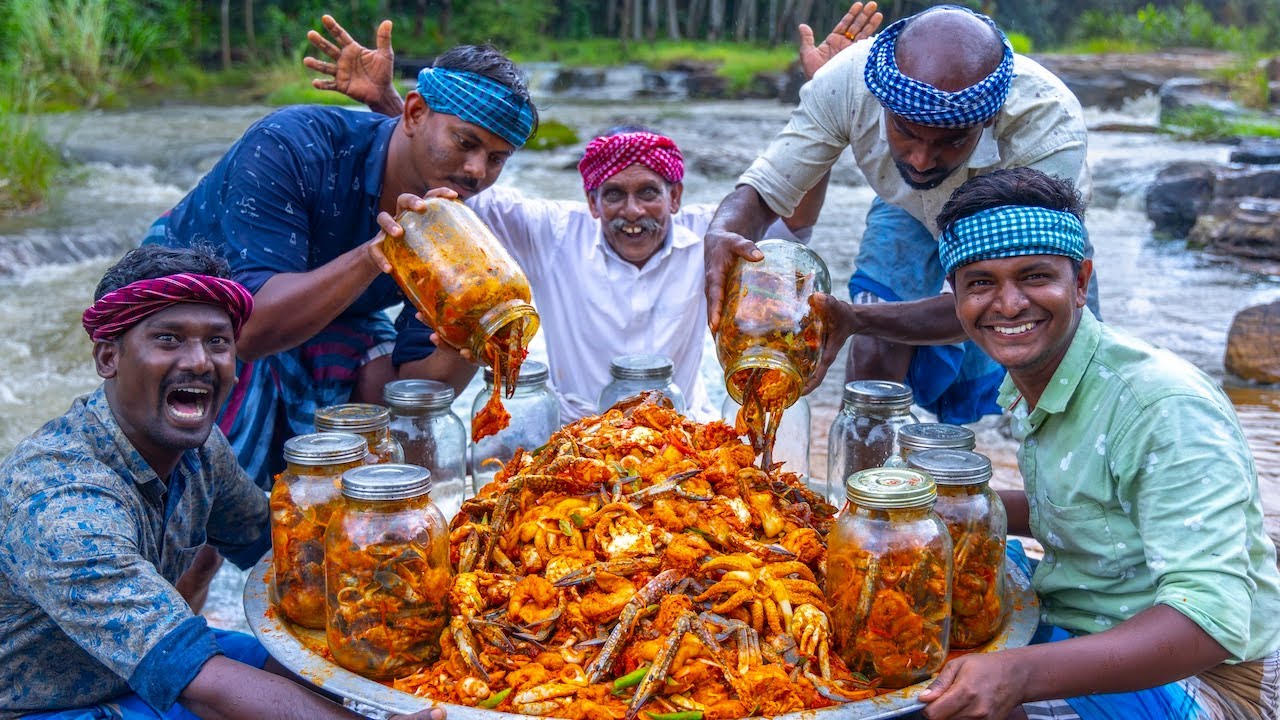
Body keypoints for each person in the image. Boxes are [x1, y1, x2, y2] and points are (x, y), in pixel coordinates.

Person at [826, 168, 1280, 719]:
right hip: (1083, 615)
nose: (1009, 304)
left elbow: (1211, 619)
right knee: (892, 582)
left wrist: (1019, 675)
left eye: (1035, 277)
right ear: (957, 298)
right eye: (980, 283)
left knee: (927, 709)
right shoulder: (1037, 375)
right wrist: (912, 505)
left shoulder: (1161, 407)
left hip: (1210, 681)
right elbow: (1079, 512)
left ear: (1081, 280)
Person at [304, 6, 882, 423]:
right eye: (614, 195)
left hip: (683, 430)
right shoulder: (549, 232)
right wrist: (388, 104)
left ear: (676, 200)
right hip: (572, 432)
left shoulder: (712, 234)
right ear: (590, 203)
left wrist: (825, 97)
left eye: (649, 193)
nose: (633, 211)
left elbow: (794, 219)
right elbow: (453, 178)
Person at [0, 245, 445, 720]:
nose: (199, 362)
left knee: (345, 664)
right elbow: (199, 682)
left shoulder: (201, 450)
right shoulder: (61, 501)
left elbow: (284, 555)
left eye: (217, 342)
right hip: (51, 704)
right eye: (169, 339)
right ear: (109, 357)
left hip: (143, 666)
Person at [144, 45, 538, 489]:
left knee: (395, 417)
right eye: (465, 143)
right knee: (210, 465)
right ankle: (212, 533)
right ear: (412, 113)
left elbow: (412, 388)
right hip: (196, 297)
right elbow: (248, 333)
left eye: (497, 158)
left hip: (329, 313)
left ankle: (347, 532)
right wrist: (376, 255)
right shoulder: (292, 145)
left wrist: (460, 339)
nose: (476, 171)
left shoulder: (450, 230)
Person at [704, 4, 1095, 425]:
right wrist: (723, 232)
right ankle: (859, 478)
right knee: (875, 345)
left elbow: (995, 298)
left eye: (950, 141)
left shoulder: (1046, 124)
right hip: (906, 208)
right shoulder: (849, 82)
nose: (922, 160)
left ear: (989, 120)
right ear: (881, 105)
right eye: (905, 133)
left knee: (1057, 367)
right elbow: (768, 187)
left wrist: (854, 318)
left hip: (1025, 232)